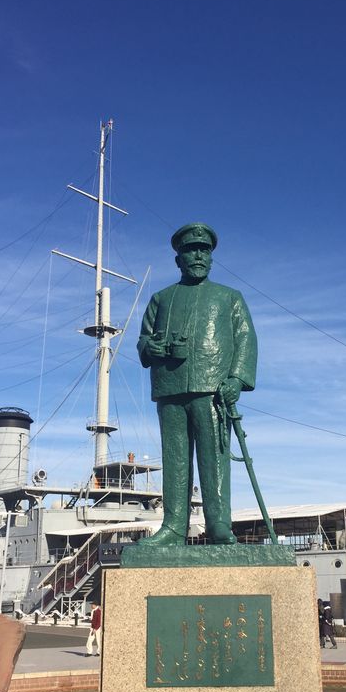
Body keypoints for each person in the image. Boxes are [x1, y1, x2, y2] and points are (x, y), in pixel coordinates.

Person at [137, 223, 257, 545]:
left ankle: (219, 523)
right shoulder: (160, 299)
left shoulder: (229, 297)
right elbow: (143, 343)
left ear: (211, 258)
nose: (198, 256)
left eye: (204, 250)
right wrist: (152, 348)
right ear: (178, 259)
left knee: (214, 458)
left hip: (213, 389)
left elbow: (246, 339)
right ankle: (174, 526)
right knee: (175, 460)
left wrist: (237, 378)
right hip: (170, 388)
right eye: (191, 250)